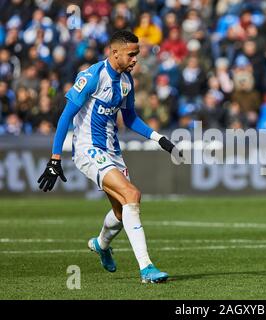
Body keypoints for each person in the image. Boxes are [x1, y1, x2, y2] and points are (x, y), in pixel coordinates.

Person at [37, 30, 183, 284]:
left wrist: (161, 140)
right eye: (132, 54)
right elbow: (65, 116)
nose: (136, 59)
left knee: (120, 211)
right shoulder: (92, 76)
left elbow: (130, 119)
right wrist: (55, 157)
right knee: (132, 195)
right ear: (115, 52)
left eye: (137, 54)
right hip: (88, 149)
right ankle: (146, 268)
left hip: (113, 152)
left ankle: (101, 244)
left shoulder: (127, 81)